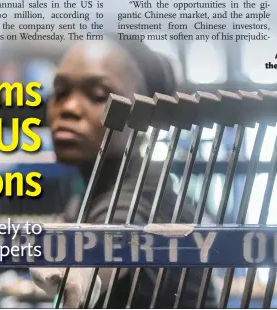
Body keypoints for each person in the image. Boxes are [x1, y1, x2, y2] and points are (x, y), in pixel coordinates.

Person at [30, 38, 218, 309]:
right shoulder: (85, 197)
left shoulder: (147, 191)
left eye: (98, 95)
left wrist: (84, 274)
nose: (69, 108)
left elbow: (119, 233)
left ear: (144, 116)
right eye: (60, 91)